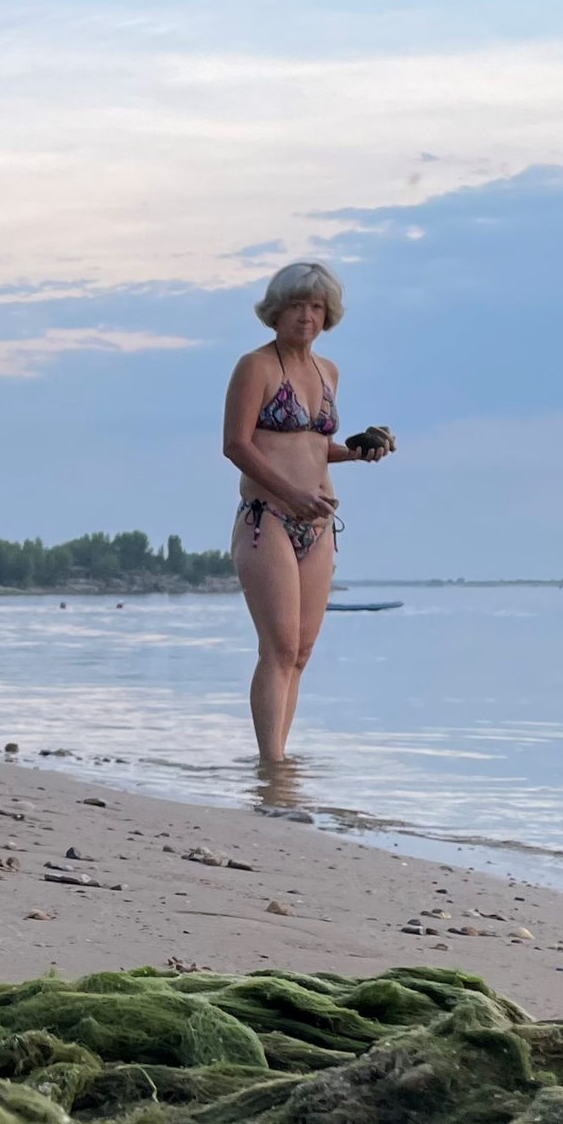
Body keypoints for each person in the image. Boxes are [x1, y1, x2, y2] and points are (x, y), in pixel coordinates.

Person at [220, 261, 392, 765]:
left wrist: (359, 448)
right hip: (266, 516)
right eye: (297, 305)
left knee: (302, 651)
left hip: (317, 523)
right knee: (277, 646)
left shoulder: (328, 371)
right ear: (277, 310)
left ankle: (281, 760)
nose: (307, 316)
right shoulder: (255, 366)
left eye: (316, 307)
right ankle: (270, 767)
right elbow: (236, 444)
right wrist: (290, 495)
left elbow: (313, 445)